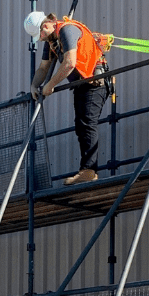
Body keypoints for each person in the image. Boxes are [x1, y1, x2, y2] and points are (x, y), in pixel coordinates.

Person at [25, 10, 110, 185]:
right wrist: (34, 85)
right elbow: (43, 68)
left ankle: (88, 171)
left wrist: (51, 85)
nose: (40, 38)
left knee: (87, 122)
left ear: (46, 25)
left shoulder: (67, 30)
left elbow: (70, 62)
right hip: (82, 85)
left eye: (40, 34)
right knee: (81, 124)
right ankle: (87, 170)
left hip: (95, 81)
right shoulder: (51, 41)